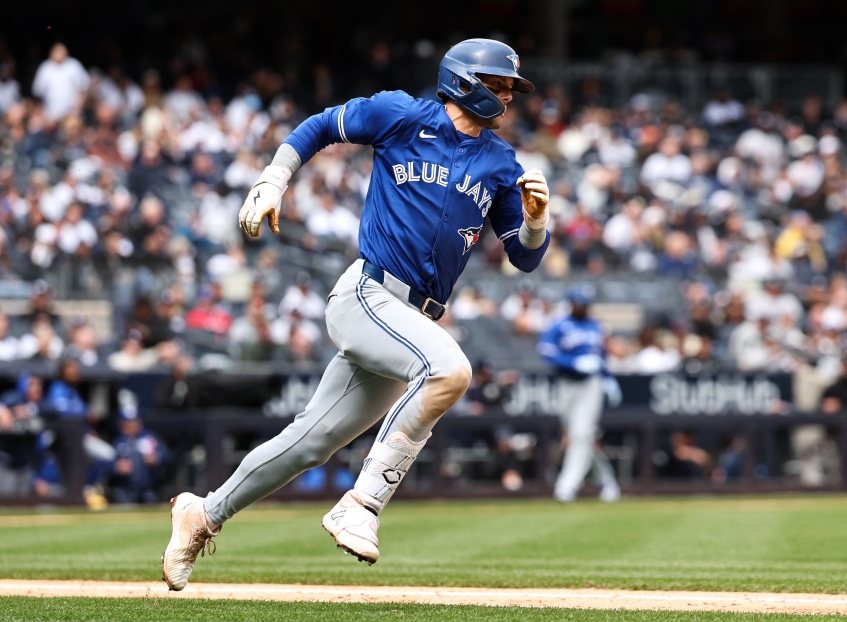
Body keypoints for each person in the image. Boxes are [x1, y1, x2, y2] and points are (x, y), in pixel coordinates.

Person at [162, 39, 550, 590]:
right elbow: (319, 126)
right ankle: (361, 504)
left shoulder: (500, 161)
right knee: (450, 371)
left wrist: (536, 221)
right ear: (463, 81)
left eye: (511, 86)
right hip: (369, 294)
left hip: (414, 318)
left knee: (311, 441)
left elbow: (525, 257)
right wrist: (274, 179)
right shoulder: (402, 114)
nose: (508, 96)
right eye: (499, 83)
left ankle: (202, 514)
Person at [538, 285, 621, 503]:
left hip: (590, 385)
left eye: (584, 303)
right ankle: (607, 480)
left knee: (581, 434)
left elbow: (601, 355)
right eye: (578, 302)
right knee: (579, 436)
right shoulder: (560, 325)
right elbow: (546, 351)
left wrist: (608, 376)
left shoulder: (595, 325)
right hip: (566, 383)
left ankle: (567, 485)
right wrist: (572, 362)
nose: (581, 307)